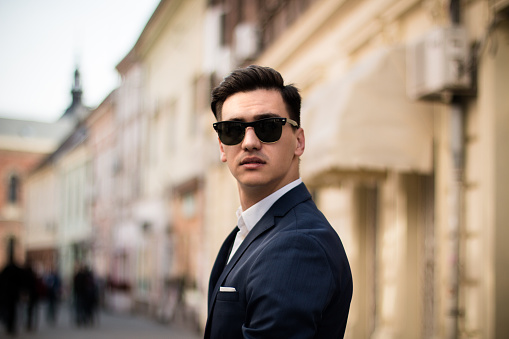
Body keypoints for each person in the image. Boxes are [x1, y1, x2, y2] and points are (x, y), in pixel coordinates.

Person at [205, 65, 353, 339]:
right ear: (222, 147)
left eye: (268, 127)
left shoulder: (299, 243)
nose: (249, 142)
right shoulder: (249, 230)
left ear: (298, 142)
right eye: (233, 130)